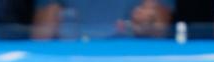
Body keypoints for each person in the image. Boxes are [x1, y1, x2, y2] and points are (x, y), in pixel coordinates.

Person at [31, 0, 174, 39]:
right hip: (73, 60)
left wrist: (148, 21)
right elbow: (41, 37)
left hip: (132, 61)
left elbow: (160, 28)